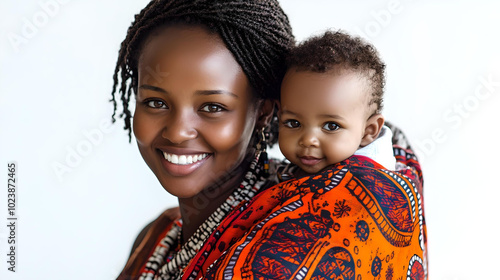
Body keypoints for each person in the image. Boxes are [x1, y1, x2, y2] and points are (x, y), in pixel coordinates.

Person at [110, 1, 427, 279]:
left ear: (263, 112)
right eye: (155, 102)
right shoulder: (159, 235)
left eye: (212, 107)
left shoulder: (296, 245)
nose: (178, 131)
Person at [277, 30, 396, 181]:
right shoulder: (288, 172)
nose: (308, 140)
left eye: (331, 126)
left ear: (368, 131)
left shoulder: (370, 185)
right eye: (293, 123)